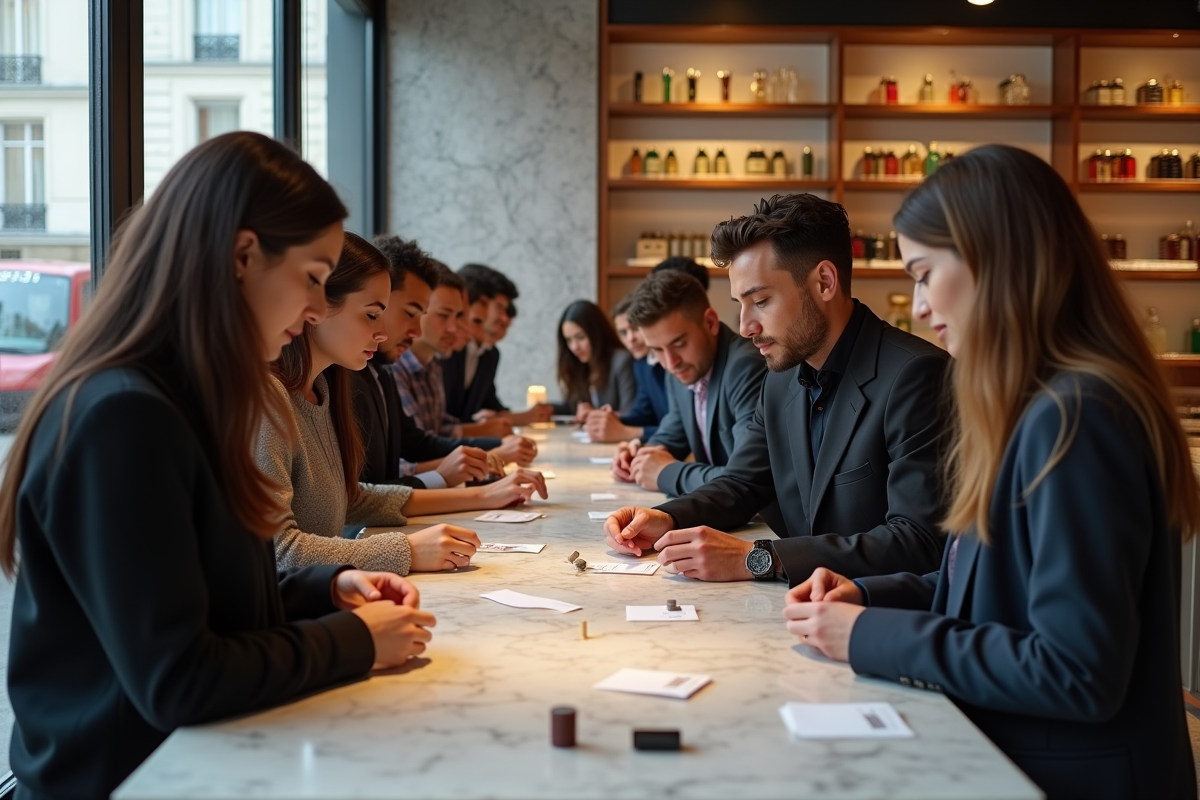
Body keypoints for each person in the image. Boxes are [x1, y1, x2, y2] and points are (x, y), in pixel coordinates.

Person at [0, 132, 435, 799]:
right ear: (242, 256)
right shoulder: (123, 417)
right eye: (313, 280)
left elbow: (198, 598)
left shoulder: (189, 400)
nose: (318, 309)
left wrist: (328, 591)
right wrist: (353, 642)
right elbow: (178, 680)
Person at [783, 145, 1198, 800]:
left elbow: (1074, 669)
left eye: (924, 273)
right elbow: (985, 592)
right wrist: (868, 595)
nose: (917, 306)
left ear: (995, 258)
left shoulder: (1079, 416)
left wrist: (869, 637)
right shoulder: (1037, 404)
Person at [603, 193, 949, 585]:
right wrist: (667, 517)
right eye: (740, 304)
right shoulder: (781, 379)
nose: (746, 326)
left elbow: (919, 542)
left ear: (824, 282)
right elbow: (742, 483)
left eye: (761, 301)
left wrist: (759, 558)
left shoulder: (917, 374)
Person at [257, 233, 547, 575]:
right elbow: (276, 551)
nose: (382, 334)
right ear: (318, 307)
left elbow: (353, 498)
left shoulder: (324, 386)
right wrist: (407, 550)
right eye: (371, 315)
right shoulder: (270, 398)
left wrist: (483, 496)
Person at [351, 237, 509, 489]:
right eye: (410, 314)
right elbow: (359, 501)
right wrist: (454, 481)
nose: (416, 331)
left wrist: (487, 451)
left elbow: (416, 442)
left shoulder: (379, 372)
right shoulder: (347, 378)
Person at [608, 270, 768, 498]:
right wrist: (642, 456)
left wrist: (665, 472)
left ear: (710, 323)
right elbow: (672, 433)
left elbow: (748, 481)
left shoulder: (746, 367)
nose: (671, 362)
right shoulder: (682, 369)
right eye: (657, 350)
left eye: (679, 343)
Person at [386, 254, 537, 470]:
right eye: (445, 316)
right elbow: (405, 462)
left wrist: (494, 444)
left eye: (459, 317)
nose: (457, 329)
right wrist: (494, 454)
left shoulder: (432, 364)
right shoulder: (391, 367)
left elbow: (433, 434)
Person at [441, 263, 552, 426]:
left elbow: (490, 407)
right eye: (499, 307)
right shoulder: (446, 347)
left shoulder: (489, 355)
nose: (504, 318)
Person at [584, 294, 669, 443]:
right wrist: (613, 419)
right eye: (623, 332)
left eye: (635, 329)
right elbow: (643, 413)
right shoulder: (641, 364)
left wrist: (626, 432)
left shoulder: (672, 362)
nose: (630, 339)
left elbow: (681, 429)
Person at [554, 299, 638, 420]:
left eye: (580, 337)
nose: (574, 347)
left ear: (597, 333)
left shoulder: (621, 361)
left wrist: (595, 414)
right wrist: (543, 409)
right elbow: (571, 406)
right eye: (569, 340)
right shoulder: (582, 364)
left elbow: (630, 414)